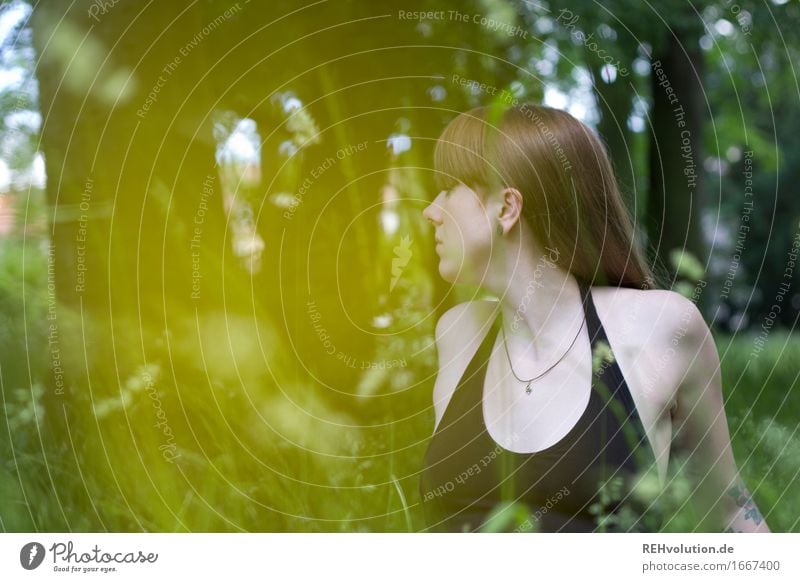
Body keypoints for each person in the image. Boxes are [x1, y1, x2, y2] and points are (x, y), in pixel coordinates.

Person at [418, 102, 770, 533]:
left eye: (448, 188)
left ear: (506, 208)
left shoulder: (660, 328)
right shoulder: (459, 332)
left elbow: (728, 509)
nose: (430, 210)